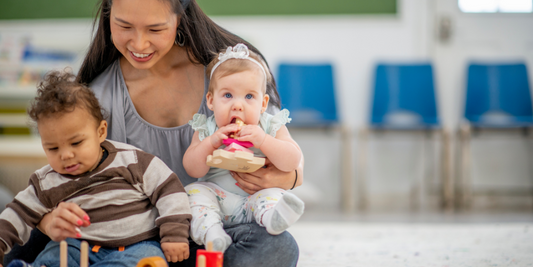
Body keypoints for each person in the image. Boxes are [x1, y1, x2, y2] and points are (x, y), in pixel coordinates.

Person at [4, 0, 303, 266]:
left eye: (155, 29)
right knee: (19, 233)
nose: (139, 43)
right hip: (133, 234)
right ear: (108, 14)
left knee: (278, 248)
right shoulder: (100, 95)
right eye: (124, 26)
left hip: (211, 224)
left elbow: (286, 149)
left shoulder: (226, 75)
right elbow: (63, 176)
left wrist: (289, 177)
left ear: (180, 17)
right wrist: (46, 221)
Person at [0, 71, 191, 267]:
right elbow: (17, 213)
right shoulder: (46, 181)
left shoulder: (132, 160)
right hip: (76, 246)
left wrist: (174, 233)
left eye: (76, 143)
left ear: (100, 132)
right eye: (53, 148)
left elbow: (169, 189)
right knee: (52, 257)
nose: (65, 155)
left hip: (137, 244)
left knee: (145, 261)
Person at [183, 44, 305, 252]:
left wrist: (264, 140)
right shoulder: (207, 128)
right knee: (192, 192)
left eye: (249, 97)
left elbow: (293, 160)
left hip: (253, 200)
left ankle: (273, 219)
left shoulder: (269, 125)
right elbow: (192, 169)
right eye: (228, 95)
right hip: (217, 199)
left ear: (263, 103)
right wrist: (211, 143)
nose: (238, 105)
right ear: (211, 101)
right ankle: (212, 233)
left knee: (272, 194)